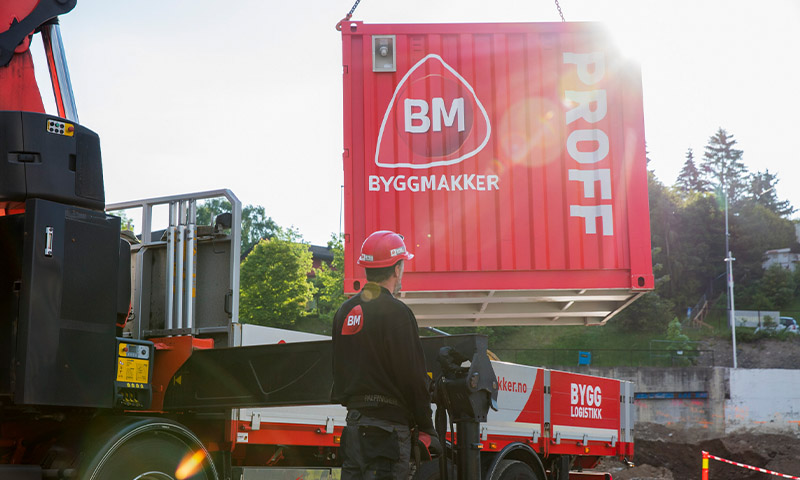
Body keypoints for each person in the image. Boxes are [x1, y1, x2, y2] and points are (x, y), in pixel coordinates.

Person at [331, 230, 441, 480]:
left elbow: (338, 372)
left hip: (354, 431)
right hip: (386, 435)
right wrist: (426, 426)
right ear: (397, 268)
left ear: (366, 268)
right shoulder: (397, 313)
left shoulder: (344, 311)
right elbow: (413, 377)